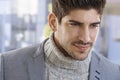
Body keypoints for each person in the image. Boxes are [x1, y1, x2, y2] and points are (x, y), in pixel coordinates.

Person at [0, 0, 120, 80]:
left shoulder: (114, 73)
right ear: (53, 22)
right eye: (75, 24)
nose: (86, 38)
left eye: (94, 25)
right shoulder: (6, 66)